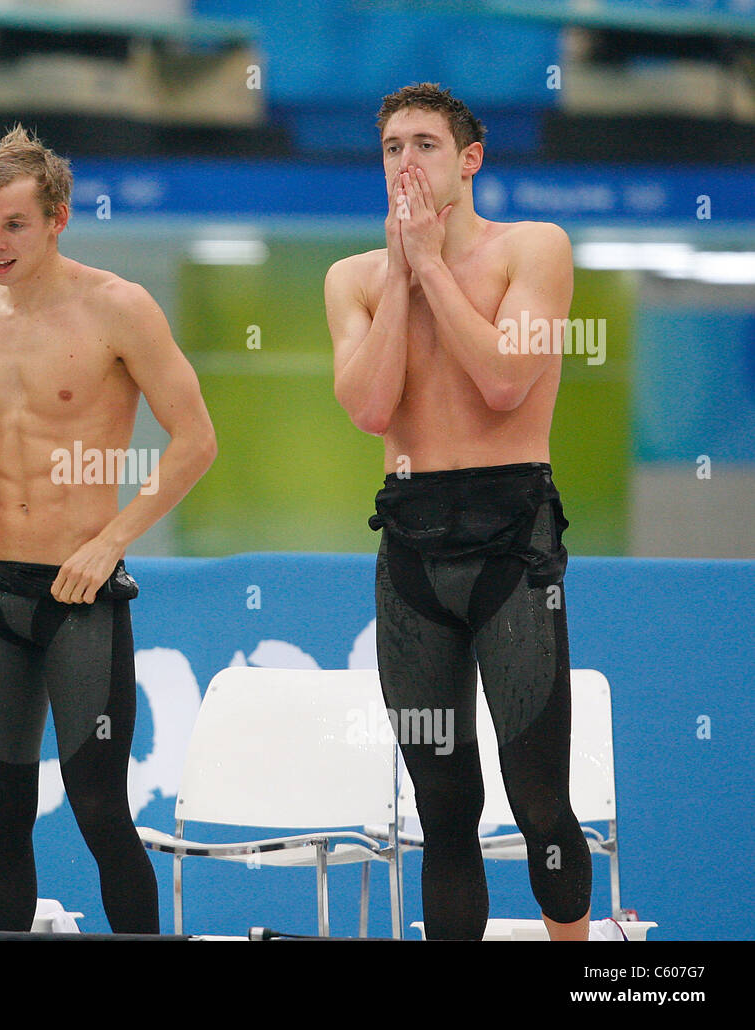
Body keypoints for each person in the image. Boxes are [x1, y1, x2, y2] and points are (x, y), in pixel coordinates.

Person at [325, 83, 592, 941]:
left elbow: (505, 381)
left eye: (426, 146)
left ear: (469, 159)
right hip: (411, 538)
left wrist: (434, 265)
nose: (407, 164)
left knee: (539, 796)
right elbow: (368, 408)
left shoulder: (533, 249)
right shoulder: (355, 278)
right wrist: (403, 274)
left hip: (512, 535)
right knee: (443, 806)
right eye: (393, 148)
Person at [0, 126, 217, 933]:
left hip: (80, 593)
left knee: (99, 809)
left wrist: (112, 540)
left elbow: (196, 441)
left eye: (16, 225)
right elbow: (11, 436)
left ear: (58, 218)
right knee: (1, 815)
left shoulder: (117, 308)